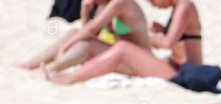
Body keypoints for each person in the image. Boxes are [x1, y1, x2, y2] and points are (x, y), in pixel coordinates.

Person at [44, 0, 202, 85]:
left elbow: (167, 43)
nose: (154, 5)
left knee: (123, 48)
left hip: (186, 73)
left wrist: (151, 36)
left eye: (153, 1)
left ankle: (69, 78)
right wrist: (161, 30)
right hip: (175, 67)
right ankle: (49, 68)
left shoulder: (185, 5)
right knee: (117, 47)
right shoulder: (180, 7)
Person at [18, 0, 150, 74]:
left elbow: (91, 31)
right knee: (73, 33)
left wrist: (65, 47)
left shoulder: (120, 3)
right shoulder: (104, 6)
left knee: (85, 44)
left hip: (139, 65)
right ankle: (32, 64)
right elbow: (88, 32)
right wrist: (85, 12)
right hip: (123, 57)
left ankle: (52, 69)